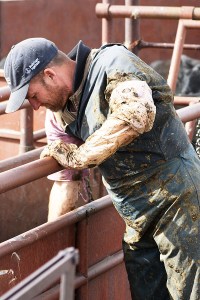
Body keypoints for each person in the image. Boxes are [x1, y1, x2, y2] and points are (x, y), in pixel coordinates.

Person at [4, 37, 200, 300]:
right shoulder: (60, 115)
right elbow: (66, 181)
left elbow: (135, 115)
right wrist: (51, 253)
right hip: (136, 218)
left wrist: (80, 156)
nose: (36, 106)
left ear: (50, 75)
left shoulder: (114, 64)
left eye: (34, 96)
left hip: (178, 201)